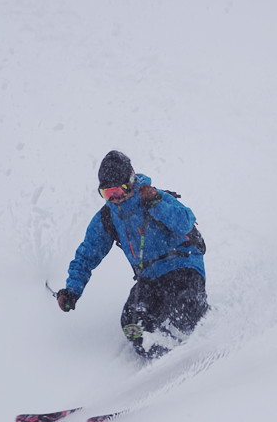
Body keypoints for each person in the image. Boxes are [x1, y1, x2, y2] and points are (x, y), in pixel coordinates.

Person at [55, 151, 208, 358]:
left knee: (183, 307)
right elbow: (86, 255)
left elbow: (185, 222)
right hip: (150, 278)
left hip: (182, 265)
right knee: (131, 320)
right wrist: (73, 289)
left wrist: (156, 203)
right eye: (107, 194)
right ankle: (158, 356)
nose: (115, 199)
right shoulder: (108, 217)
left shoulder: (154, 196)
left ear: (130, 182)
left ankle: (202, 334)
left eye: (117, 191)